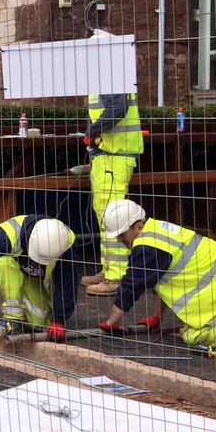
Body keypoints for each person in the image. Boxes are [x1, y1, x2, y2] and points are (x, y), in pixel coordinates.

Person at [99, 201, 216, 348]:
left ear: (137, 227)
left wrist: (111, 322)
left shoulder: (146, 247)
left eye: (120, 234)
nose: (119, 239)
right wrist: (157, 316)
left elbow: (130, 287)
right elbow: (159, 276)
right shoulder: (157, 230)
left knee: (193, 336)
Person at [0, 216, 79, 339]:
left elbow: (68, 282)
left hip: (42, 285)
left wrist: (59, 318)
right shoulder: (8, 234)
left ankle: (31, 318)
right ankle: (13, 319)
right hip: (16, 277)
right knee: (3, 262)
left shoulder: (65, 241)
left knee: (37, 325)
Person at [82, 91, 143, 296]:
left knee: (112, 214)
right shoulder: (107, 72)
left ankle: (116, 276)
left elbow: (116, 109)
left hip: (114, 155)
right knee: (104, 213)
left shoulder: (110, 73)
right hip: (108, 154)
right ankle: (109, 270)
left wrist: (92, 130)